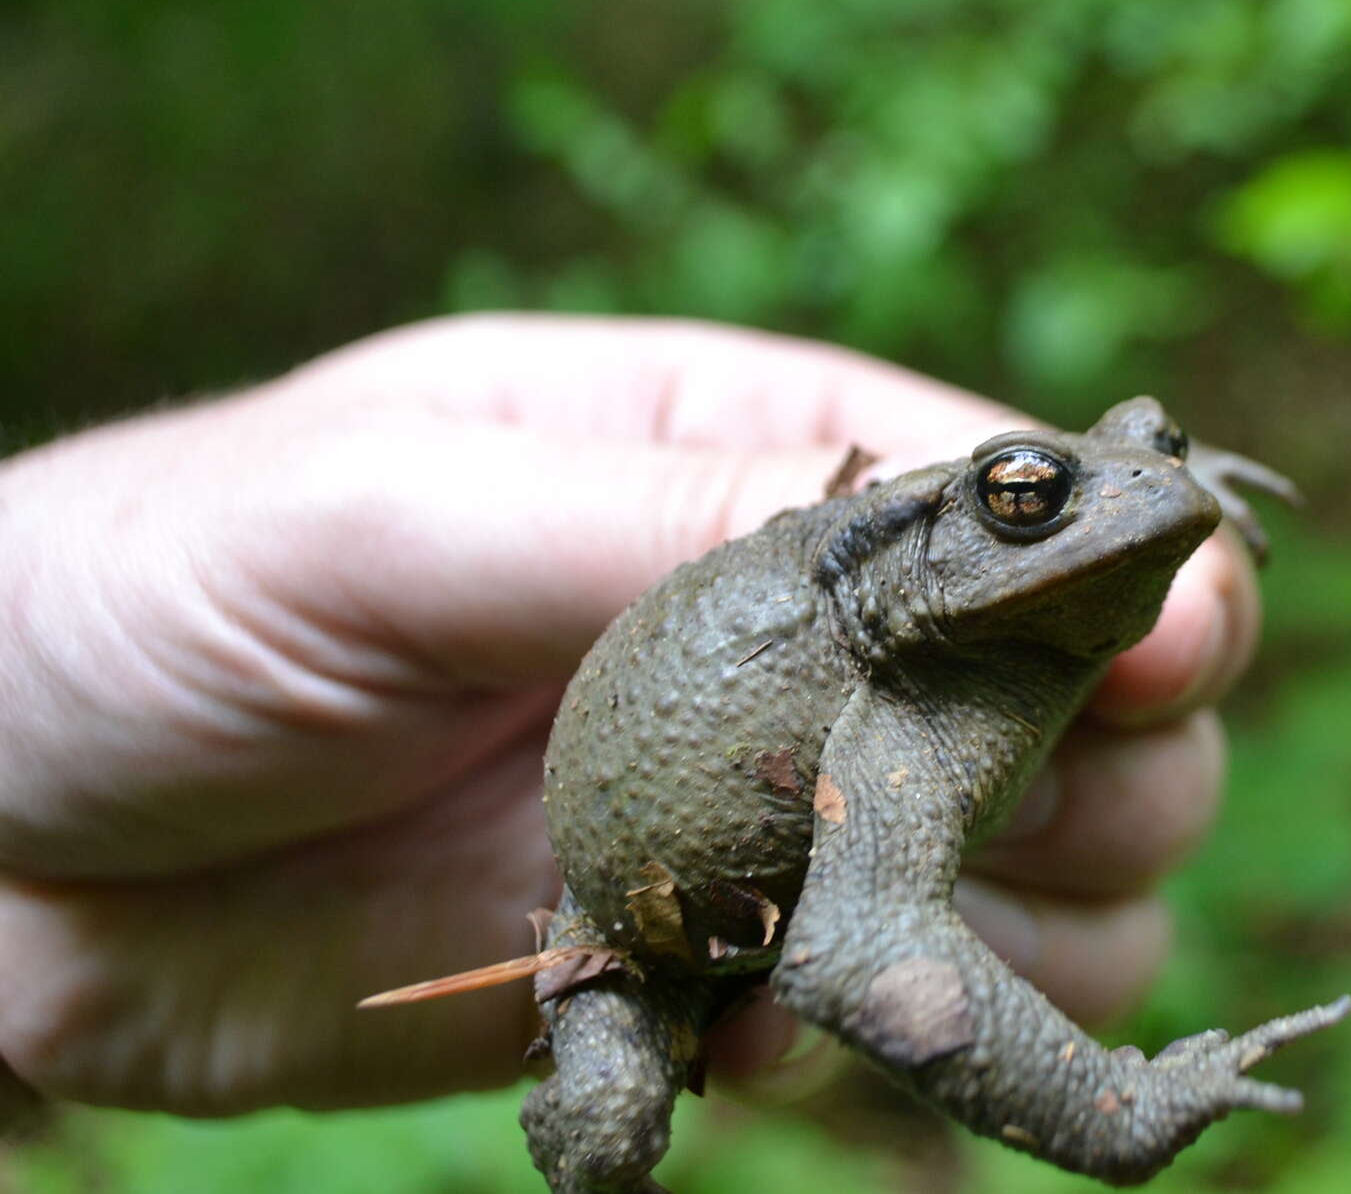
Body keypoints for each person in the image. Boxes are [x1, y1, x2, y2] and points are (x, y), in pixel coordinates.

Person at [0, 313, 1264, 1123]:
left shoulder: (982, 670)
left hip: (673, 843)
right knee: (607, 1129)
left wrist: (1141, 487)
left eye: (1165, 447)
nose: (1147, 486)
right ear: (919, 539)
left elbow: (839, 948)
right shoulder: (906, 708)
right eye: (1032, 492)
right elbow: (859, 956)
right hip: (631, 946)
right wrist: (1111, 1105)